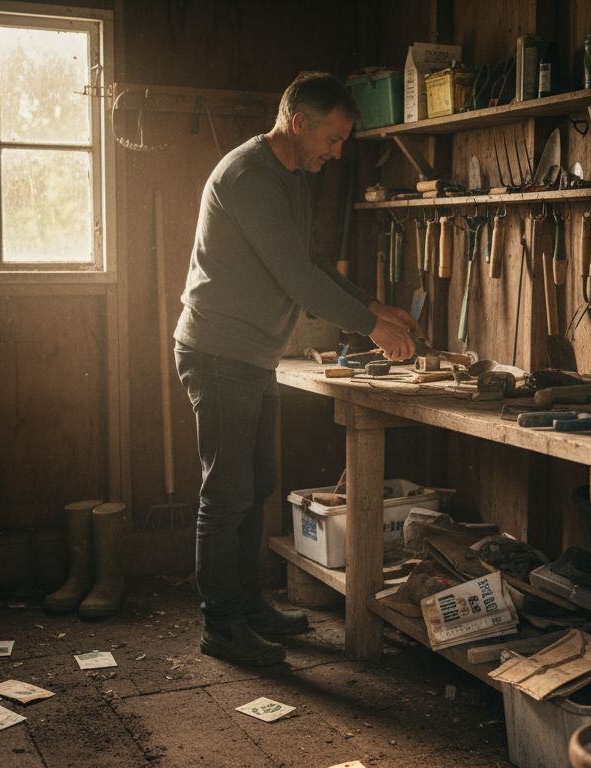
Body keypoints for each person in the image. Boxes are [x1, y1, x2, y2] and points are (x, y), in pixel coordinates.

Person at [173, 71, 418, 666]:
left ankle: (248, 606)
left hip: (251, 355)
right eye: (332, 140)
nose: (336, 154)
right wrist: (372, 327)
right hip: (219, 351)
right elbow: (299, 280)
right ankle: (222, 627)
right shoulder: (250, 176)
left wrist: (373, 303)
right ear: (299, 122)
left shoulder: (291, 176)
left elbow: (310, 262)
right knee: (226, 494)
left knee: (255, 488)